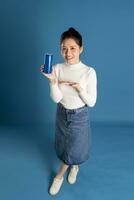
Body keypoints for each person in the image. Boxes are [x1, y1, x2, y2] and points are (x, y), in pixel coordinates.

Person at [40, 27, 97, 196]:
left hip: (79, 115)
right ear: (60, 49)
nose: (68, 52)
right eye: (64, 48)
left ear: (81, 49)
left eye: (72, 48)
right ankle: (75, 165)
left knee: (74, 148)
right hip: (61, 113)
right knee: (65, 144)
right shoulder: (57, 68)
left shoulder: (88, 72)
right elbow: (56, 99)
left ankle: (59, 176)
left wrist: (80, 89)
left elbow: (92, 102)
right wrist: (52, 81)